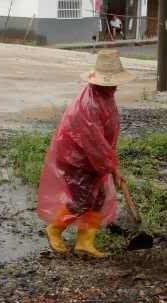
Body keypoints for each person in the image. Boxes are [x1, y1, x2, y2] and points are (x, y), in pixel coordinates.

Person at [37, 50, 133, 257]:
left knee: (97, 197)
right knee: (81, 197)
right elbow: (94, 143)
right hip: (77, 158)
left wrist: (110, 165)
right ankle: (54, 228)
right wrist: (111, 167)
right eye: (111, 82)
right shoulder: (90, 103)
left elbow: (105, 138)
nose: (114, 86)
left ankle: (84, 242)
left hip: (93, 158)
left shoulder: (104, 97)